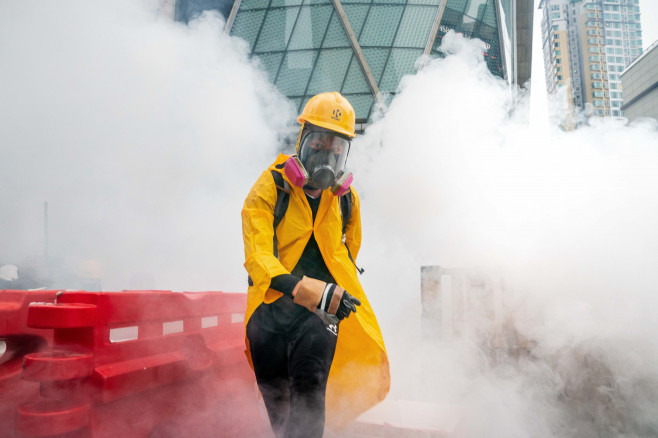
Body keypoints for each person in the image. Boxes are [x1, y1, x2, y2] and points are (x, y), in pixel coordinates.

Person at [241, 92, 389, 438]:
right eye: (320, 143)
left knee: (309, 398)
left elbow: (349, 252)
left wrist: (331, 296)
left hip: (321, 316)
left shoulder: (346, 198)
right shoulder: (270, 187)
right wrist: (307, 289)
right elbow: (258, 256)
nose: (328, 154)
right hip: (269, 315)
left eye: (338, 147)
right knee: (280, 415)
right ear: (302, 139)